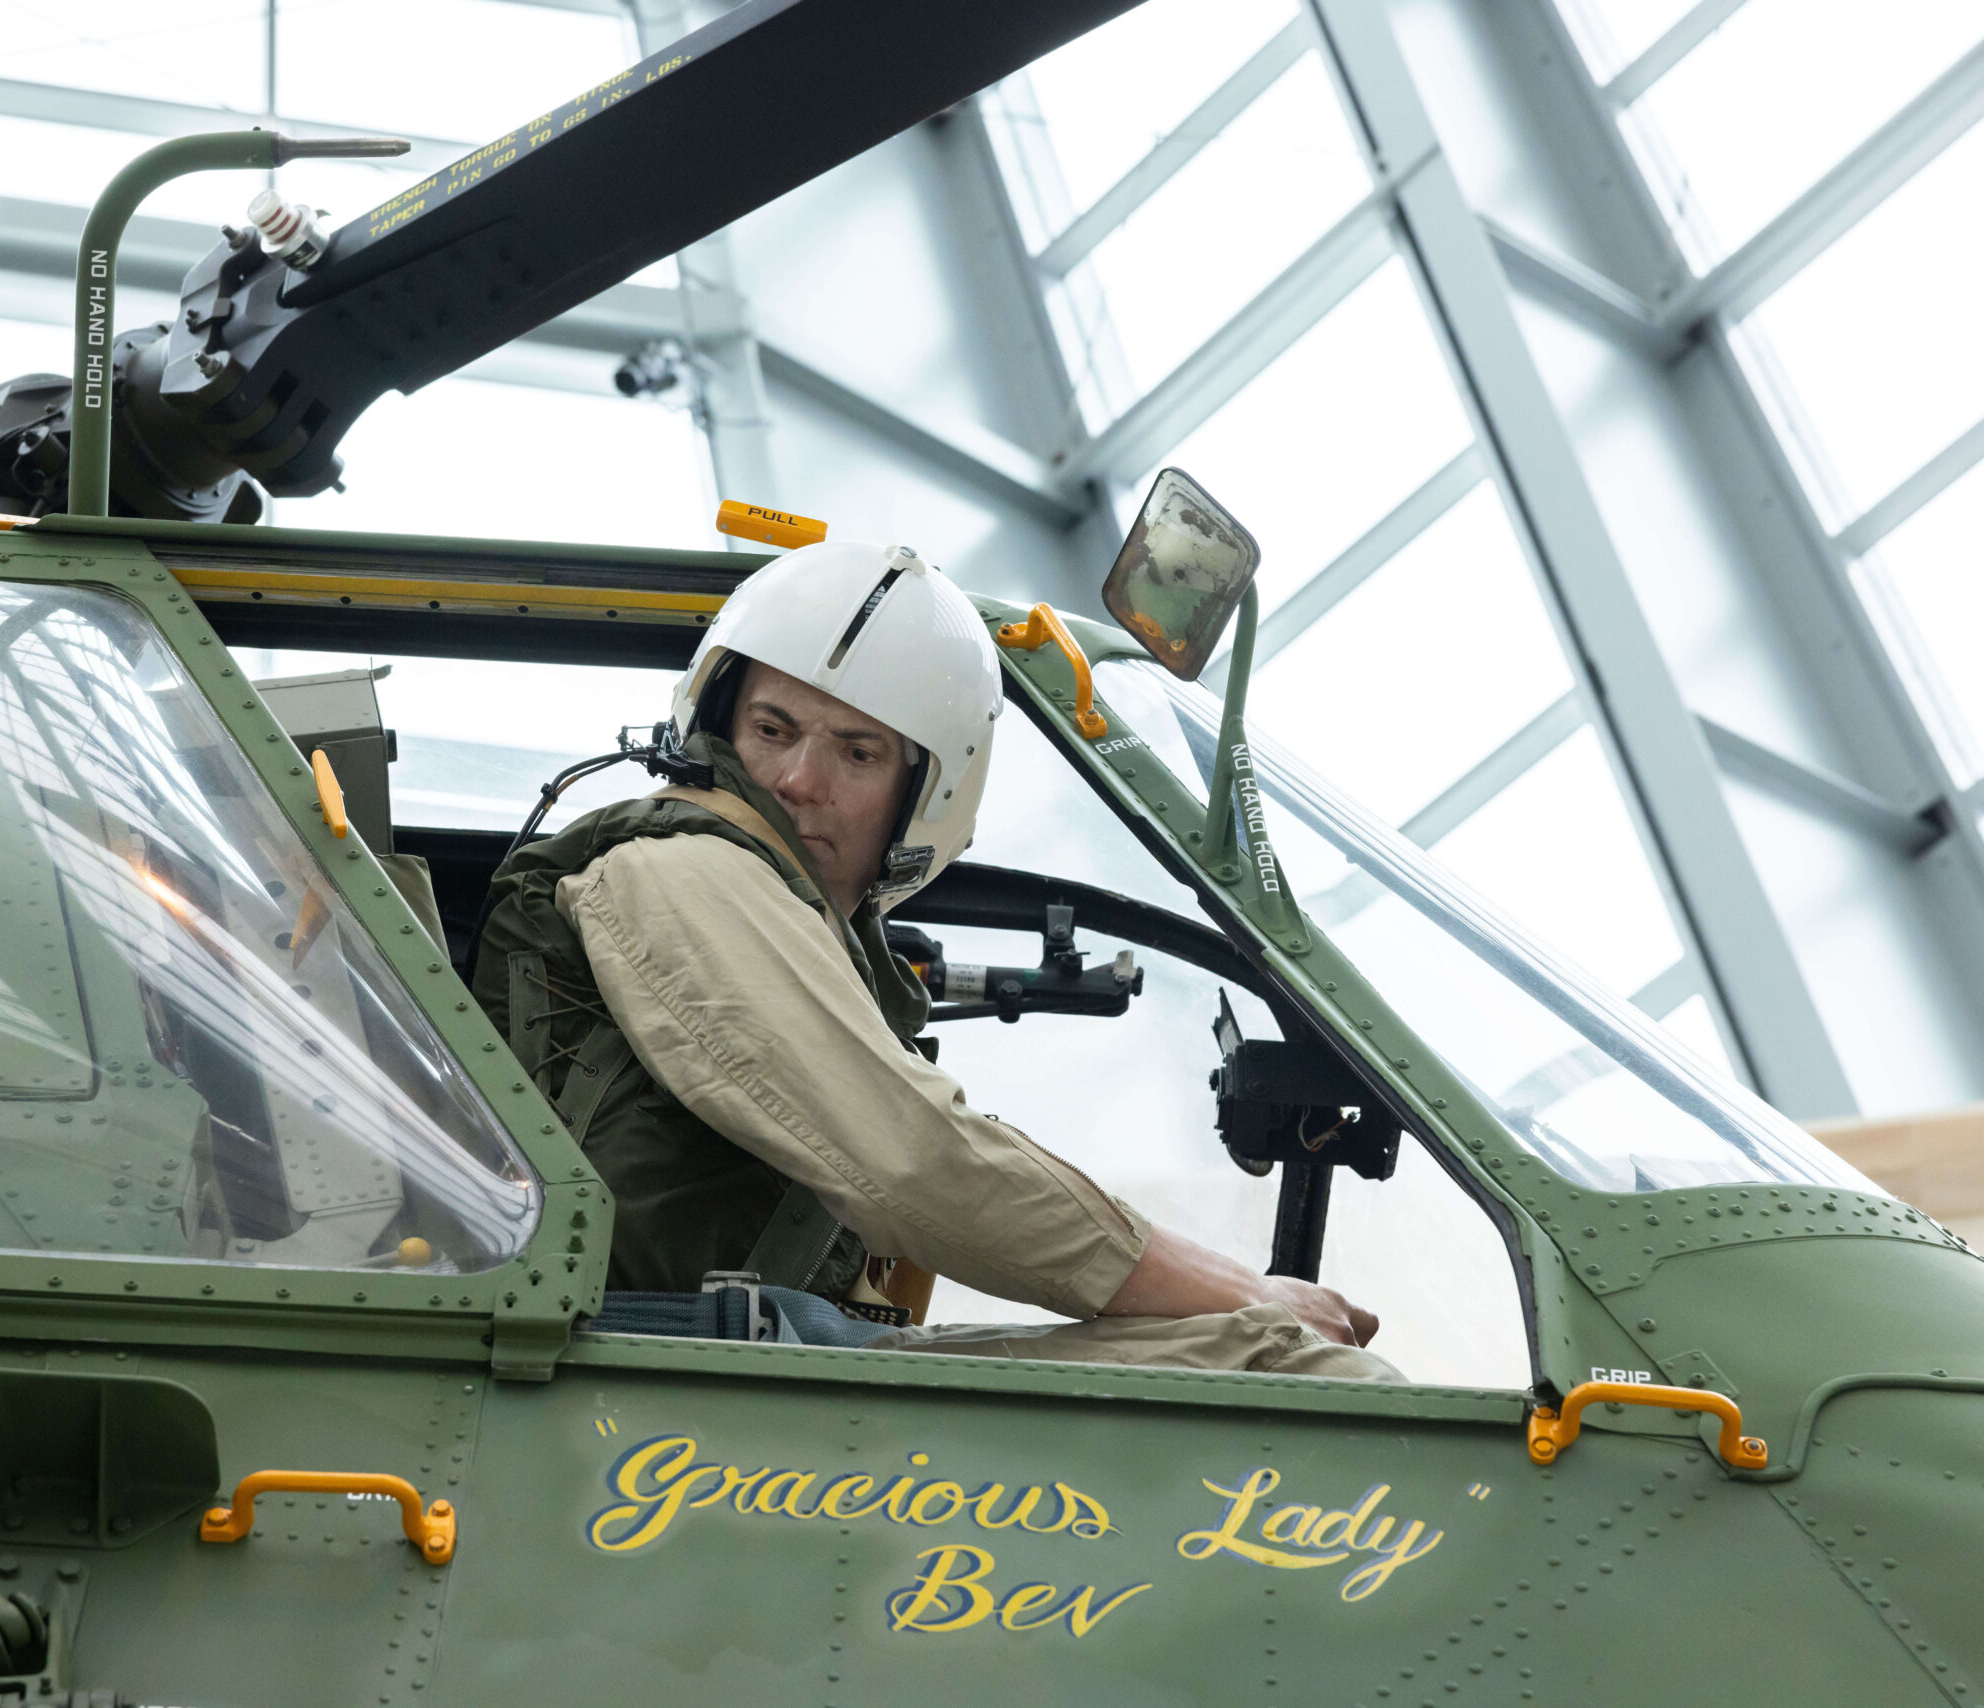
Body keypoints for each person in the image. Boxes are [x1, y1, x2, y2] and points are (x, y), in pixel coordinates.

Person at [473, 538, 1396, 1380]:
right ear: (717, 719)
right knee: (1292, 1369)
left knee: (1267, 1363)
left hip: (720, 1368)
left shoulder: (812, 938)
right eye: (772, 729)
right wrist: (1248, 1294)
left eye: (858, 752)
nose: (798, 780)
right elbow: (916, 1162)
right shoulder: (683, 868)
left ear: (922, 796)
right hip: (623, 1367)